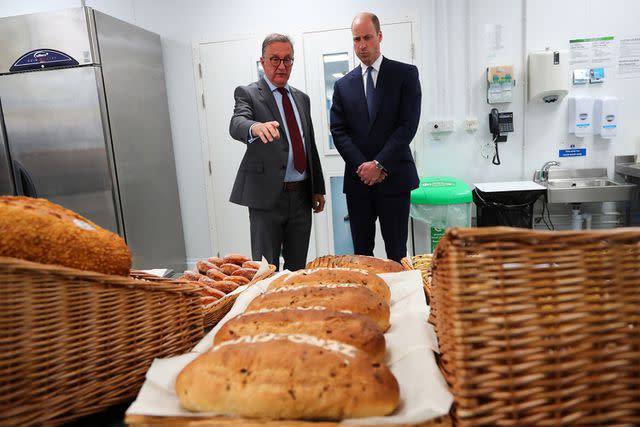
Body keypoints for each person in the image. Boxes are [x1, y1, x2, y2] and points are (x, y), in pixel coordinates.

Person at [330, 12, 421, 263]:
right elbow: (338, 130)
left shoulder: (405, 75)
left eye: (367, 37)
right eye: (357, 39)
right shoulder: (343, 85)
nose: (362, 45)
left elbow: (408, 125)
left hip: (394, 179)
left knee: (397, 253)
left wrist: (379, 164)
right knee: (362, 253)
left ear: (379, 36)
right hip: (359, 183)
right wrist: (364, 167)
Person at [229, 33, 325, 271]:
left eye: (288, 59)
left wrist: (318, 188)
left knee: (297, 268)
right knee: (266, 268)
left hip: (301, 196)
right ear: (263, 61)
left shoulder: (302, 99)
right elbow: (237, 122)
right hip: (267, 197)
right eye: (275, 59)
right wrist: (255, 127)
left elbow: (308, 144)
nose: (282, 66)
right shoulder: (248, 93)